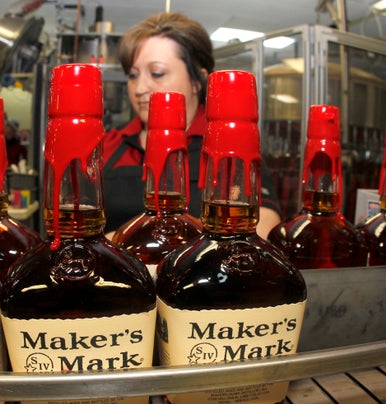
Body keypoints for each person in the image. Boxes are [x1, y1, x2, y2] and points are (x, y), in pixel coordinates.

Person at [101, 12, 282, 239]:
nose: (139, 88)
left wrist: (135, 242)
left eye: (157, 73)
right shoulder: (110, 145)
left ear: (197, 80)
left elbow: (264, 225)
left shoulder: (226, 146)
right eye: (133, 75)